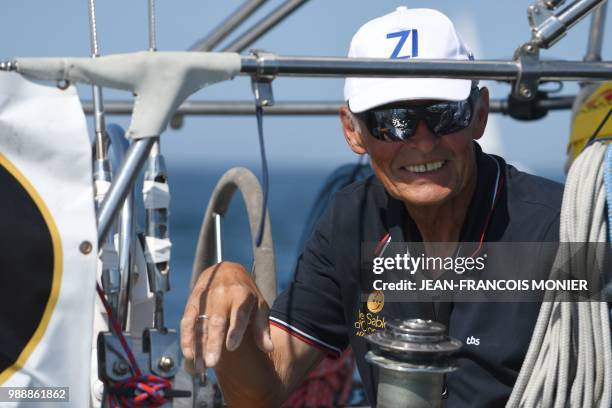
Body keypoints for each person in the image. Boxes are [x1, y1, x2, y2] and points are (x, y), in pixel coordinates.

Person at [180, 7, 563, 407]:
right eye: (392, 121)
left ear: (479, 114)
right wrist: (228, 301)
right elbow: (264, 390)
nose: (423, 141)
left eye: (443, 114)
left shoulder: (558, 228)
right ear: (352, 130)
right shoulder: (350, 221)